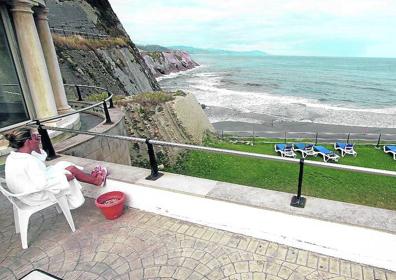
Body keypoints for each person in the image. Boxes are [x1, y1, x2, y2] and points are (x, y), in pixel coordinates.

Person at [3, 127, 108, 209]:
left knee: (63, 165)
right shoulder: (28, 161)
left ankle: (91, 178)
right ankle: (97, 181)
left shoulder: (13, 157)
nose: (36, 137)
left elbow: (39, 162)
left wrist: (35, 146)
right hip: (34, 195)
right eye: (33, 136)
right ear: (27, 141)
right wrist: (66, 178)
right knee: (70, 170)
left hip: (24, 193)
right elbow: (42, 184)